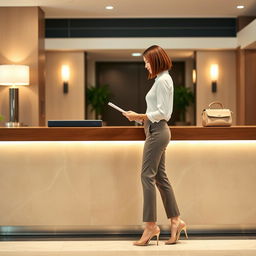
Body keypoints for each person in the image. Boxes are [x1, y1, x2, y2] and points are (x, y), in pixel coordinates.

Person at [123, 45, 187, 246]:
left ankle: (151, 226)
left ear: (156, 60)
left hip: (157, 130)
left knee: (146, 176)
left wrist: (138, 116)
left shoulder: (163, 81)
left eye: (147, 62)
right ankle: (176, 221)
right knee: (160, 177)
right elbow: (157, 111)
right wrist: (141, 117)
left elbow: (163, 113)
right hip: (154, 129)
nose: (146, 66)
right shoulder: (162, 80)